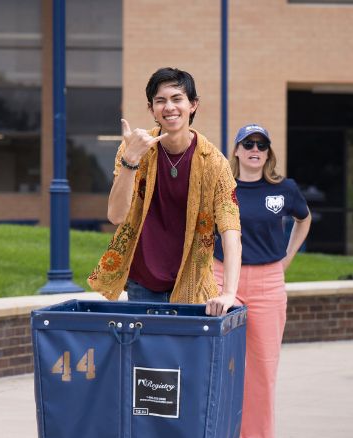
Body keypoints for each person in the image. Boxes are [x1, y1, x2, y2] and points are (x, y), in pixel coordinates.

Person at [88, 67, 241, 316]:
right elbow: (116, 216)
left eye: (177, 99)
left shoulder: (215, 163)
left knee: (188, 356)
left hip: (194, 284)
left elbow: (231, 231)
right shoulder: (134, 149)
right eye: (161, 101)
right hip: (143, 283)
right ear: (152, 109)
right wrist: (131, 161)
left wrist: (229, 293)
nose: (169, 107)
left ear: (193, 105)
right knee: (144, 356)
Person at [213, 124, 311, 438]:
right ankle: (215, 435)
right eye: (248, 144)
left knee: (262, 367)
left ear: (268, 153)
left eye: (262, 145)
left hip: (269, 283)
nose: (255, 149)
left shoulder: (284, 189)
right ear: (237, 151)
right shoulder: (222, 186)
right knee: (220, 361)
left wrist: (288, 257)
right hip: (222, 278)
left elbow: (304, 219)